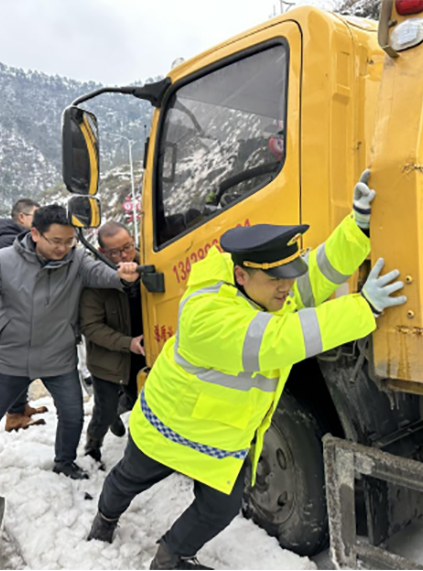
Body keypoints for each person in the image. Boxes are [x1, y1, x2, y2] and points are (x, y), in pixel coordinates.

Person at [87, 170, 406, 570]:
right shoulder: (208, 314)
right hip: (173, 424)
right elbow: (278, 340)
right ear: (241, 275)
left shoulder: (266, 288)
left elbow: (316, 271)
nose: (286, 289)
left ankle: (171, 556)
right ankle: (105, 519)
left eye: (286, 279)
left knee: (219, 509)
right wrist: (364, 308)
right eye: (276, 280)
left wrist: (357, 228)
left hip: (220, 434)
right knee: (127, 480)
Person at [0, 205, 140, 509]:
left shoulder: (77, 260)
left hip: (58, 357)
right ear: (35, 233)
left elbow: (104, 275)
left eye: (68, 241)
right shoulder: (4, 261)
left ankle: (65, 461)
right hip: (10, 359)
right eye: (55, 241)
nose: (62, 248)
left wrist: (123, 276)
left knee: (72, 415)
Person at [80, 221, 145, 463]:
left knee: (142, 401)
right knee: (103, 411)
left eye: (127, 247)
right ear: (102, 252)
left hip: (145, 351)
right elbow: (90, 326)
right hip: (109, 358)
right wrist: (127, 343)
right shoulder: (95, 279)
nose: (125, 255)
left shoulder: (150, 262)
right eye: (116, 252)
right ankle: (93, 446)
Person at [0, 197, 46, 431]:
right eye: (36, 217)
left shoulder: (14, 237)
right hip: (14, 315)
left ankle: (21, 407)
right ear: (22, 217)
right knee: (17, 367)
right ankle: (13, 415)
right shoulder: (7, 241)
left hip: (20, 313)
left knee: (25, 366)